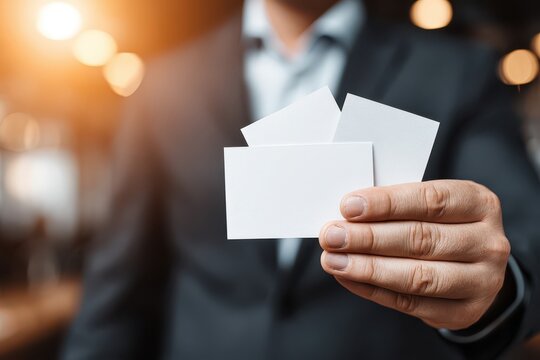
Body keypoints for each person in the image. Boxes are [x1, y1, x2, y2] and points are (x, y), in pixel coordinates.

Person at [62, 0, 540, 359]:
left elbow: (524, 238)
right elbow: (119, 283)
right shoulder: (164, 84)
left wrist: (492, 290)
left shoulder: (455, 71)